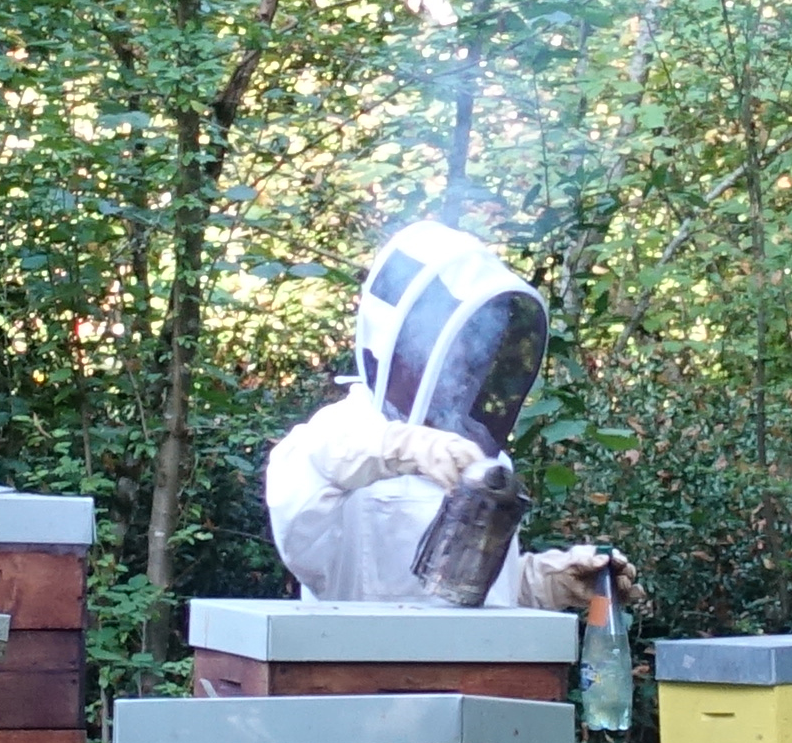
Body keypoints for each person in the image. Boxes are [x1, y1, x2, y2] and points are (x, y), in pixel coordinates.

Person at [266, 220, 633, 613]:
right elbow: (308, 463)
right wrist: (401, 446)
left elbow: (478, 594)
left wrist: (546, 581)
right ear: (396, 346)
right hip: (361, 670)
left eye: (475, 346)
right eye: (451, 346)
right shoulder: (339, 436)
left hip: (478, 672)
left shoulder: (478, 452)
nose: (467, 365)